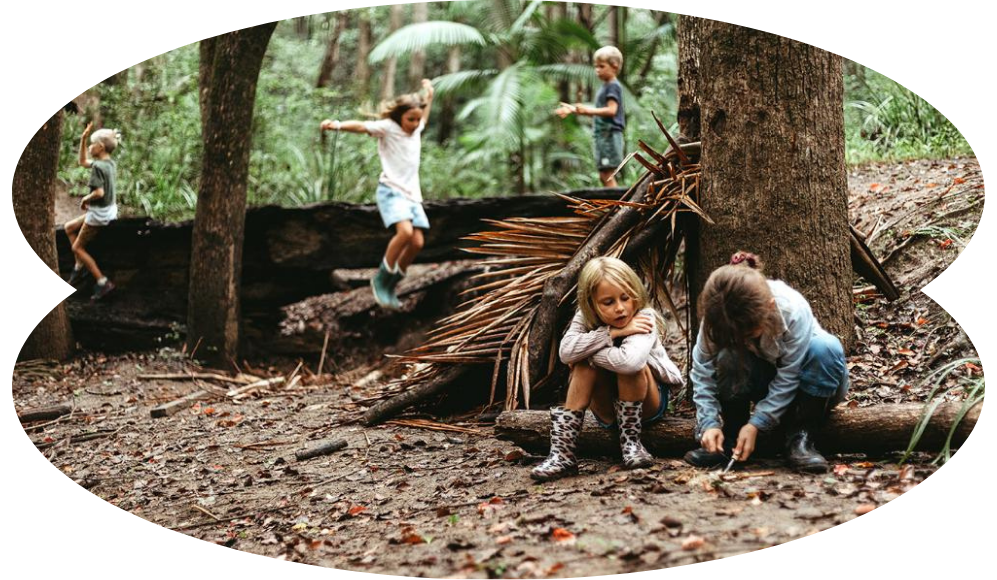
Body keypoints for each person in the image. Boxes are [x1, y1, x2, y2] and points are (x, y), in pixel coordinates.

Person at [685, 251, 849, 473]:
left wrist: (758, 424)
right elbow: (702, 372)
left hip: (809, 389)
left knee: (825, 348)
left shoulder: (792, 309)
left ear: (770, 306)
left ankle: (801, 437)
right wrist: (709, 423)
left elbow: (789, 376)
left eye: (749, 333)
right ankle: (731, 435)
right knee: (728, 355)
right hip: (763, 386)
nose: (743, 340)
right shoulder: (718, 315)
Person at [531, 257, 683, 481]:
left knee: (625, 367)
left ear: (635, 294)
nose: (620, 308)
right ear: (591, 303)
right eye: (608, 302)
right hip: (607, 410)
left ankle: (631, 443)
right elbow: (565, 353)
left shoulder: (644, 317)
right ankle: (562, 455)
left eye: (625, 298)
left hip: (648, 404)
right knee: (583, 367)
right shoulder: (585, 316)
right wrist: (609, 334)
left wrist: (587, 351)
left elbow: (629, 362)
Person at [320, 79, 434, 309]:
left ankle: (392, 283)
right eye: (410, 119)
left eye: (417, 119)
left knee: (418, 242)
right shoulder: (388, 128)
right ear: (398, 117)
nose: (414, 124)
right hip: (391, 191)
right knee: (405, 232)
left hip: (412, 194)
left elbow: (424, 115)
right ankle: (380, 279)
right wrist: (337, 125)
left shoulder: (417, 126)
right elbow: (362, 127)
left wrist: (429, 96)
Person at [554, 46, 626, 187]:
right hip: (602, 135)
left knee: (607, 174)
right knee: (603, 174)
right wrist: (573, 109)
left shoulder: (613, 86)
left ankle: (619, 206)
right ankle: (615, 206)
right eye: (595, 66)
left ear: (614, 66)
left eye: (601, 66)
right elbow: (598, 109)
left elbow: (612, 110)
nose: (597, 70)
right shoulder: (605, 87)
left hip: (609, 135)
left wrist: (587, 111)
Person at [64, 122, 120, 301]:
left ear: (100, 147)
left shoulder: (98, 167)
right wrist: (83, 139)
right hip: (108, 210)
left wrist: (85, 199)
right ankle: (80, 265)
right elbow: (82, 162)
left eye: (91, 144)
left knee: (77, 247)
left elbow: (99, 192)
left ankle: (102, 281)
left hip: (98, 215)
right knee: (68, 227)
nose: (89, 147)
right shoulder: (108, 163)